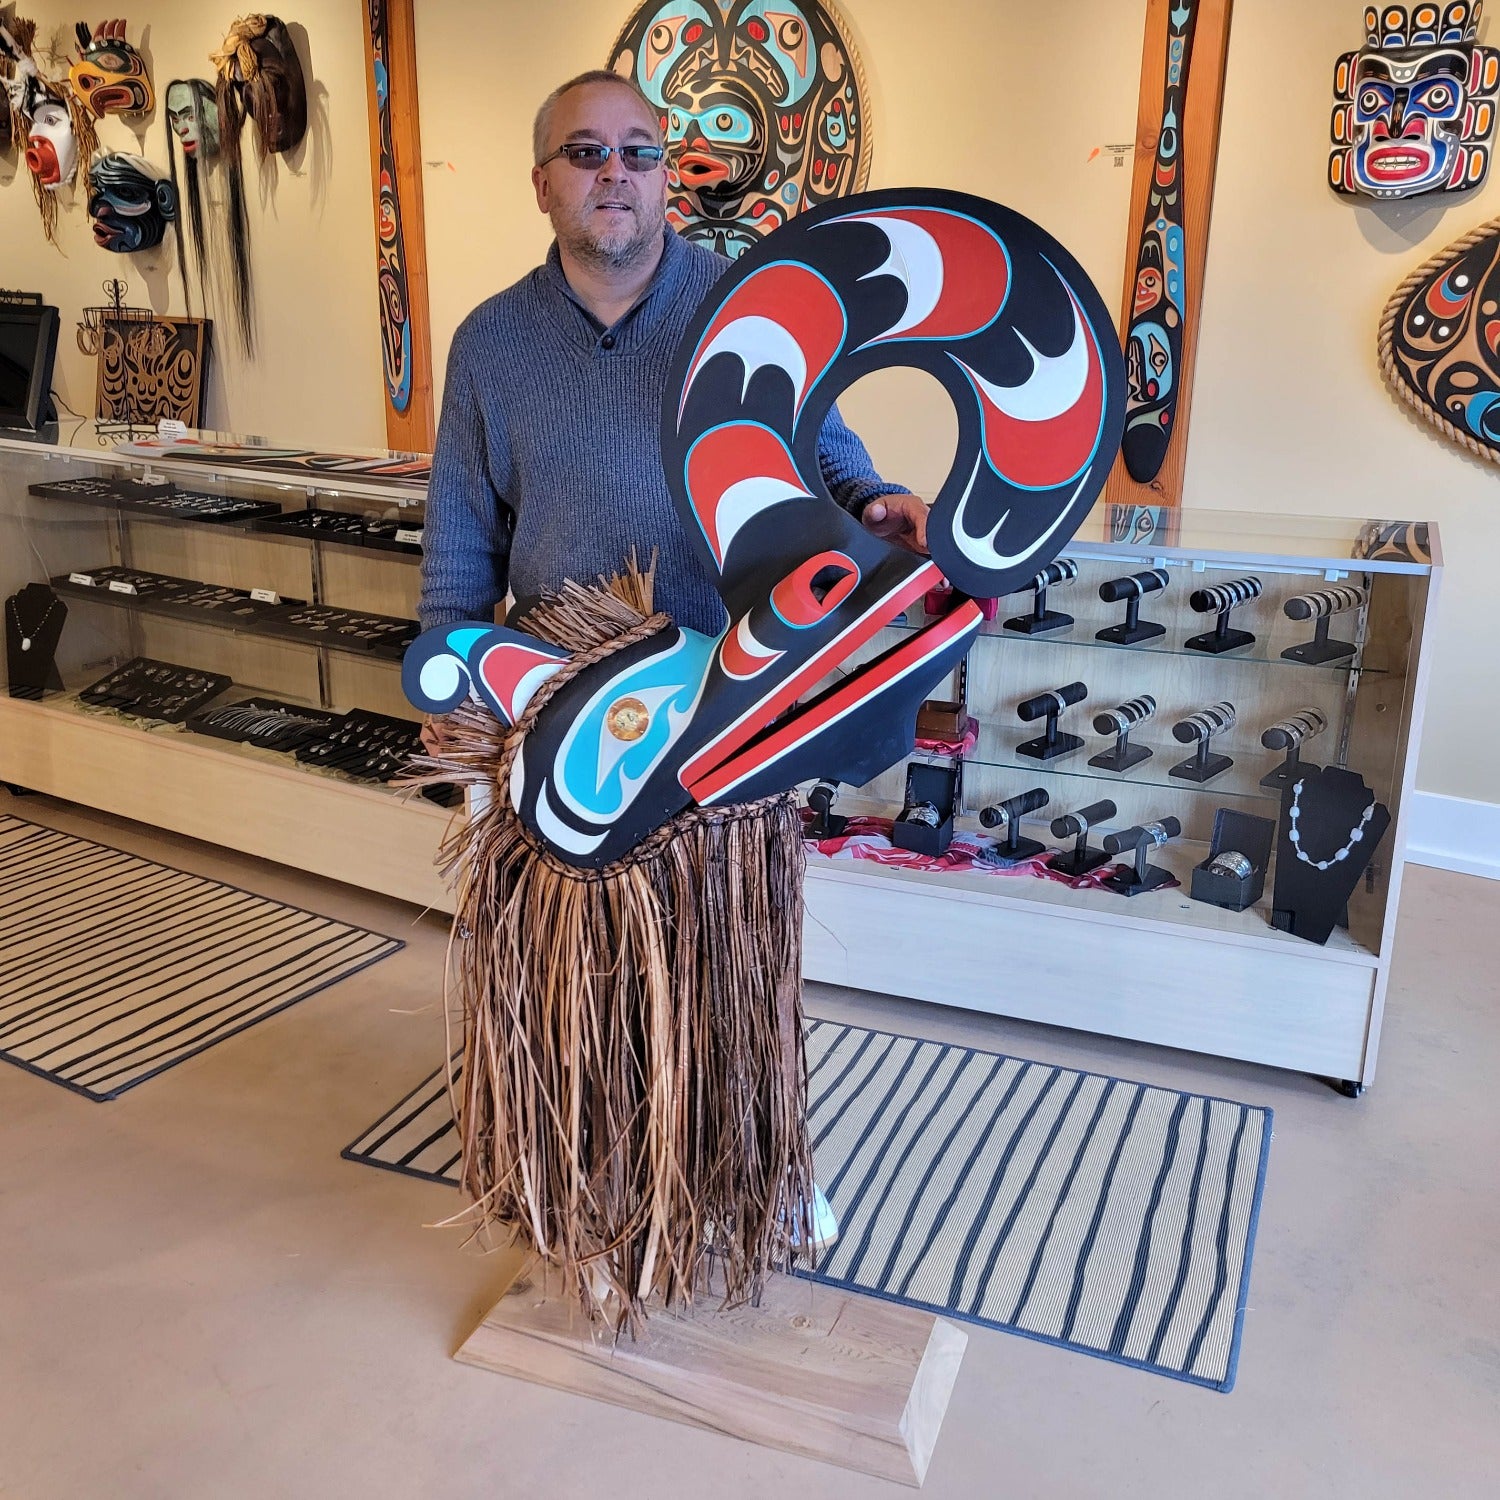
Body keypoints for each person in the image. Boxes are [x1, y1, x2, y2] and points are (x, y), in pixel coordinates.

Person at [418, 66, 930, 650]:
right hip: (550, 696)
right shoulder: (489, 341)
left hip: (729, 688)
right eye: (586, 152)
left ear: (663, 178)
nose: (615, 171)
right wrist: (452, 681)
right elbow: (459, 555)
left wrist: (872, 503)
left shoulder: (752, 308)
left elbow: (829, 461)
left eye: (638, 153)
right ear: (540, 185)